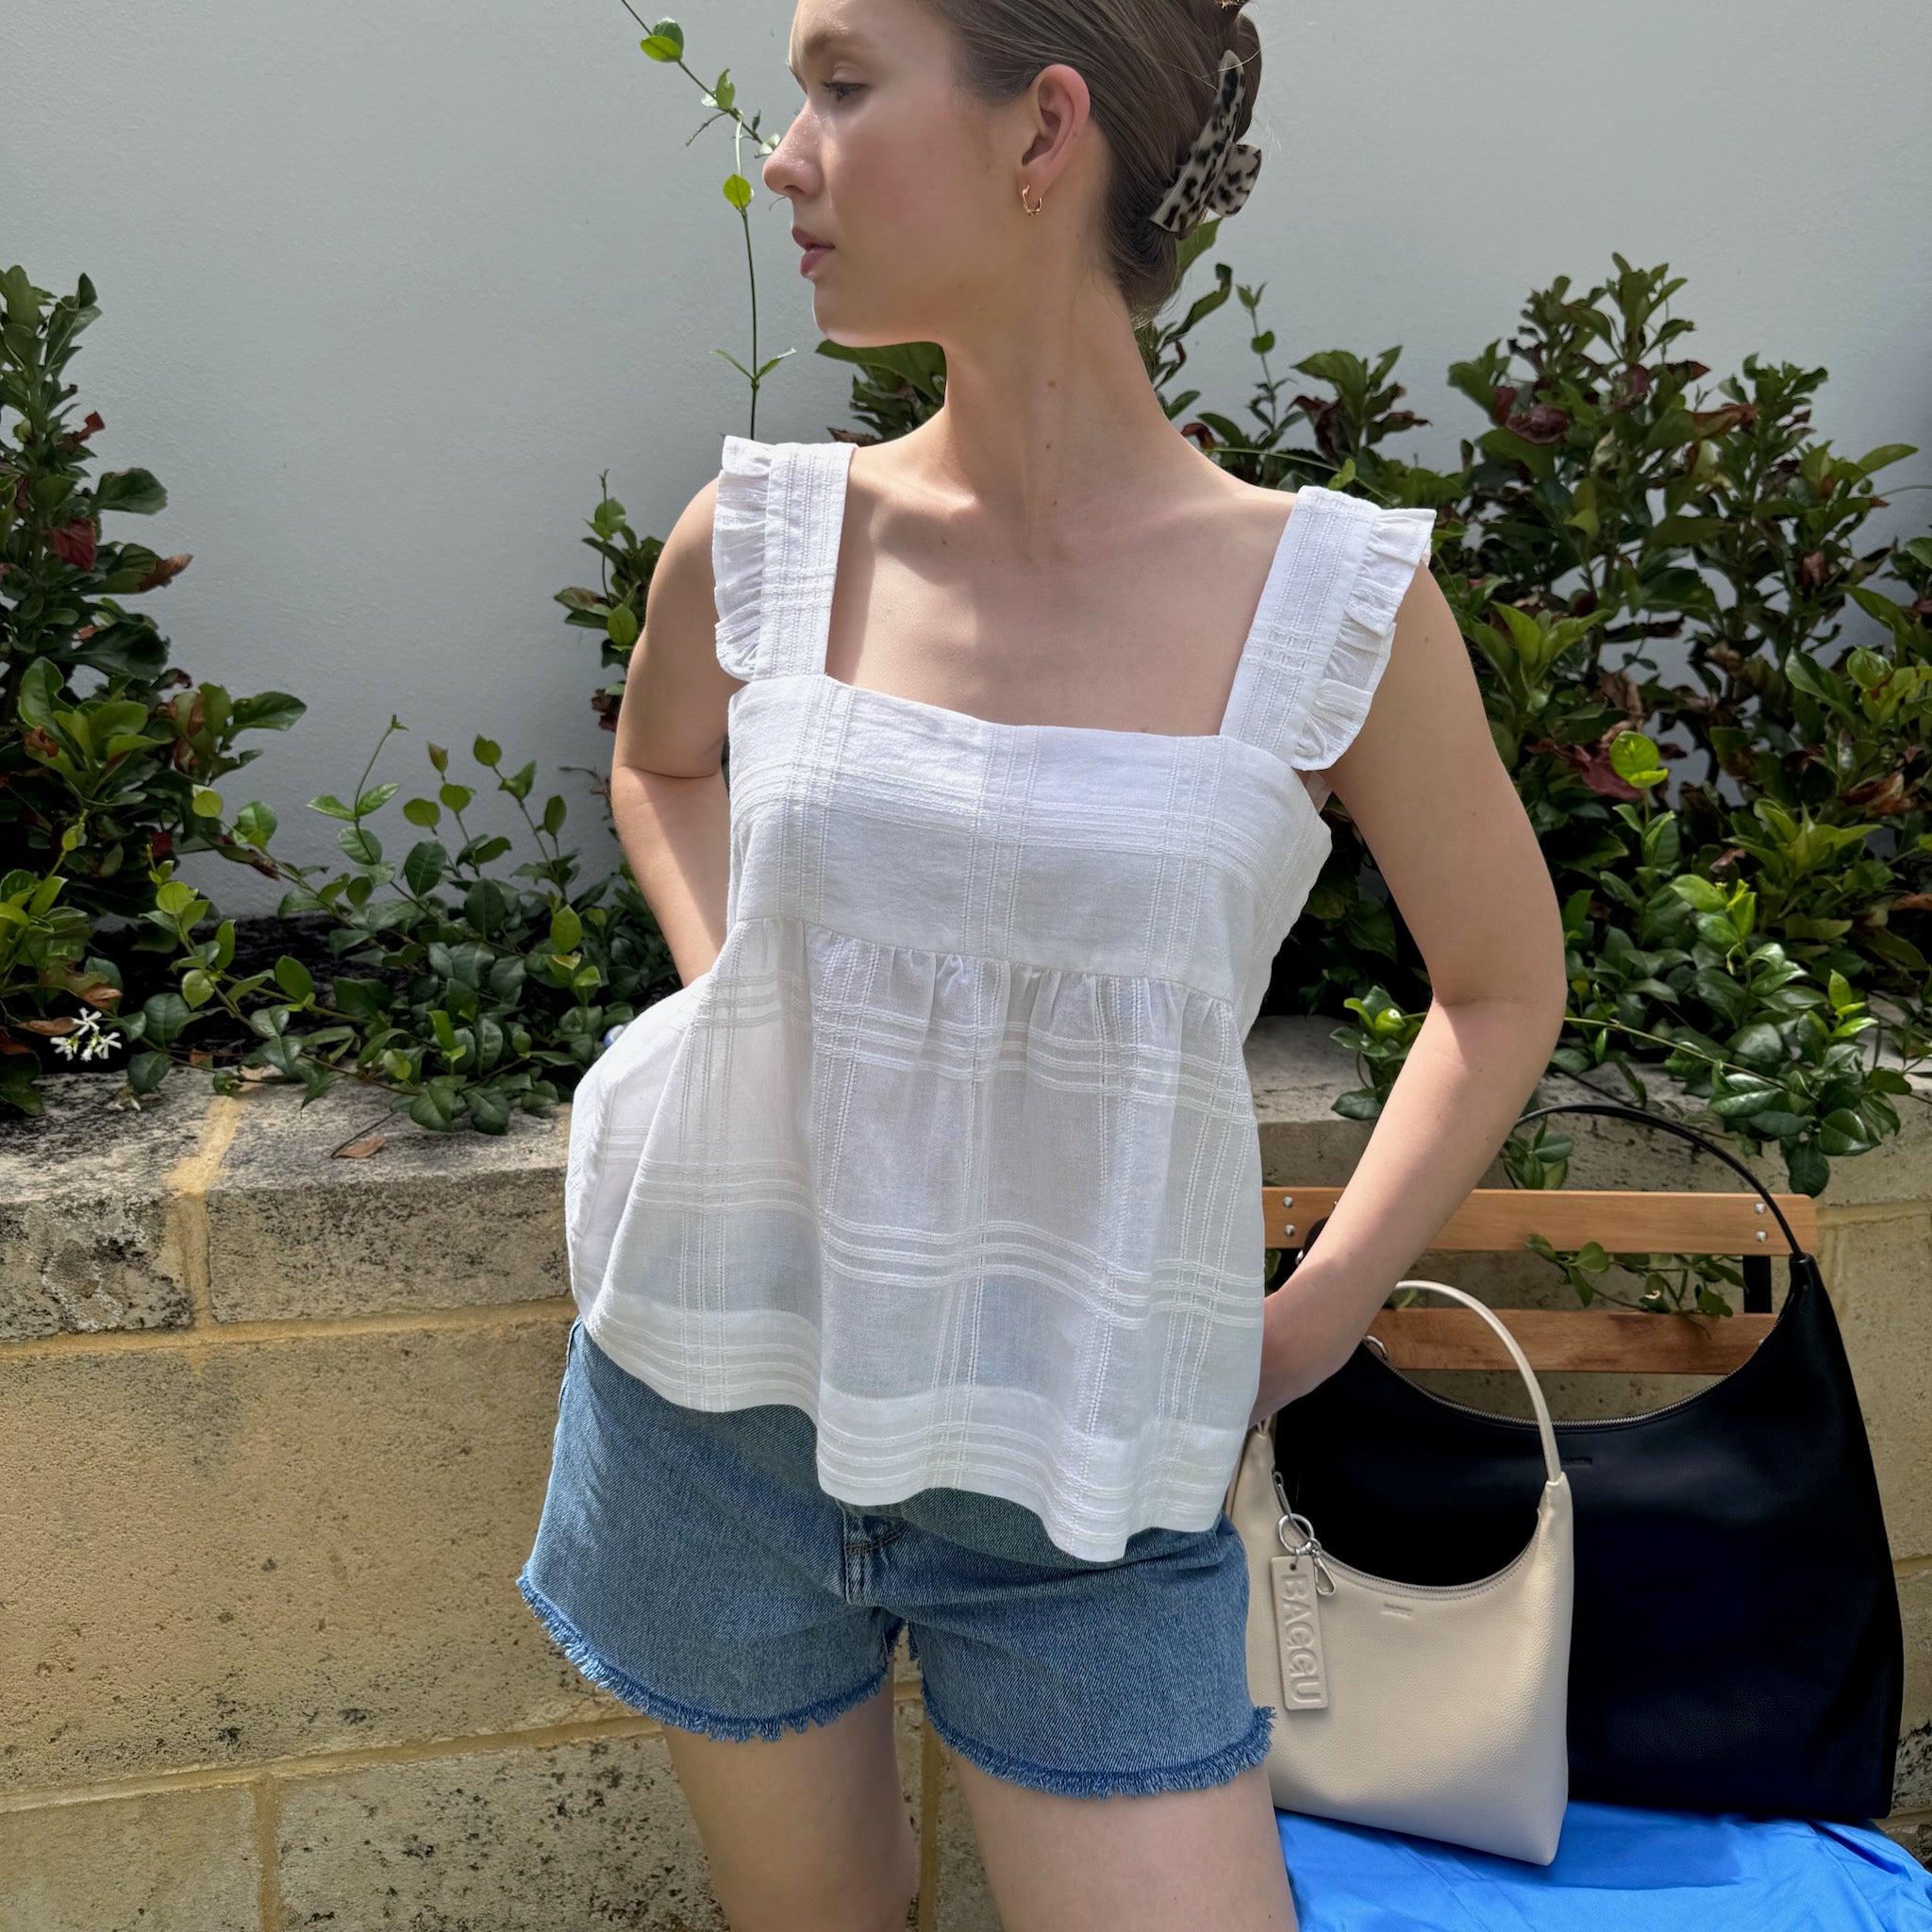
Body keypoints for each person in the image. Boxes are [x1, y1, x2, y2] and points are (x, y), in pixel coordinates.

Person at [519, 1, 1568, 1926]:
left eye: (840, 83)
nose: (782, 152)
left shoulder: (1328, 603)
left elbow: (1500, 982)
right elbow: (660, 762)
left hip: (1092, 1470)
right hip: (716, 1396)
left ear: (1042, 128)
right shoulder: (763, 537)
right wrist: (741, 988)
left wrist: (1322, 1307)